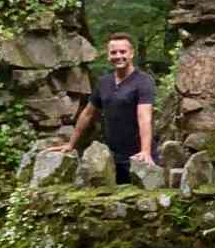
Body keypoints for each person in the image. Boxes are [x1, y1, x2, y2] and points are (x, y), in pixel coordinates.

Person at [55, 33, 155, 182]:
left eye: (123, 52)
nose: (118, 56)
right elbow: (87, 114)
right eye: (113, 52)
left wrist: (145, 151)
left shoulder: (143, 81)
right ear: (108, 56)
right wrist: (71, 144)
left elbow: (144, 117)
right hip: (111, 157)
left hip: (137, 157)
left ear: (131, 53)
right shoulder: (103, 82)